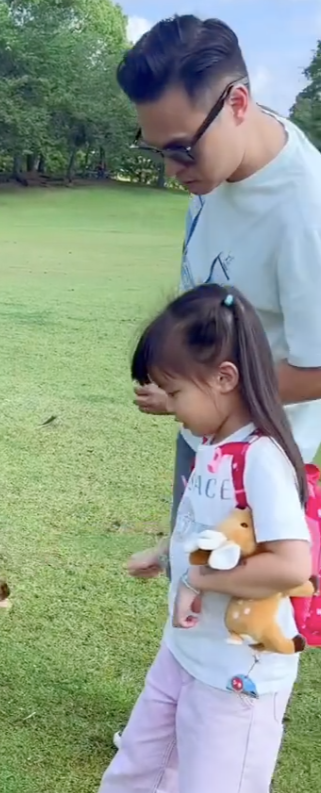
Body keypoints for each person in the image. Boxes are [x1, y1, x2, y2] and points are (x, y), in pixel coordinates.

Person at [41, 284, 312, 793]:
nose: (168, 405)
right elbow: (211, 530)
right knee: (145, 754)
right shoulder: (215, 441)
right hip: (187, 652)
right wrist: (165, 556)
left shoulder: (262, 458)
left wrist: (201, 582)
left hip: (241, 674)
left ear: (224, 380)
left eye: (173, 390)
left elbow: (291, 563)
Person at [111, 15, 321, 750]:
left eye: (179, 150)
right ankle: (166, 730)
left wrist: (203, 396)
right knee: (188, 580)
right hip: (208, 433)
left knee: (239, 608)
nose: (175, 171)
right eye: (156, 150)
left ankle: (217, 763)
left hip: (273, 457)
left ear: (237, 102)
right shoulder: (212, 168)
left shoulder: (306, 209)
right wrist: (181, 387)